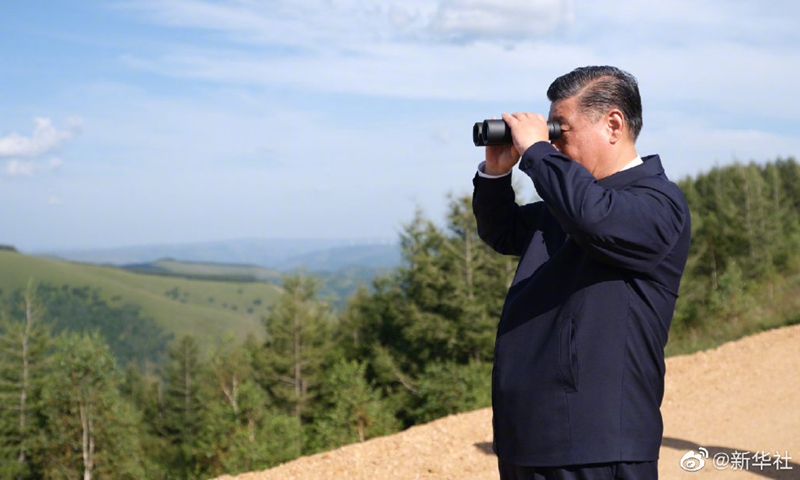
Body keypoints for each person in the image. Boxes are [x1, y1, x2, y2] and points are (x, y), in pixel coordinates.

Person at [472, 66, 691, 480]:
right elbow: (502, 231)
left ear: (613, 124)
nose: (553, 141)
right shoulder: (570, 206)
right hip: (529, 439)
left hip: (596, 443)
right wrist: (497, 174)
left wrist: (538, 153)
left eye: (561, 129)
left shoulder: (658, 203)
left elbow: (594, 217)